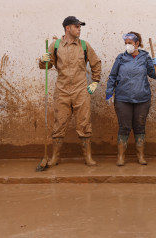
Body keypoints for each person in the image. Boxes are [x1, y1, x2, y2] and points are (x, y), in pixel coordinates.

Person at [39, 16, 101, 167]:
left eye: (80, 27)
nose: (79, 29)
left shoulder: (85, 46)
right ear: (68, 28)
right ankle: (55, 157)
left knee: (84, 123)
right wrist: (43, 60)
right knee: (59, 124)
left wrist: (95, 82)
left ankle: (88, 158)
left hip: (81, 90)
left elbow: (96, 63)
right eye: (76, 26)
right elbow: (46, 67)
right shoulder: (55, 45)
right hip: (62, 91)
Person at [106, 32, 156, 166]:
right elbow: (112, 76)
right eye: (125, 43)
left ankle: (141, 156)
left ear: (137, 44)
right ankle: (120, 156)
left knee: (140, 127)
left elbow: (154, 75)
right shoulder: (120, 58)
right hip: (123, 98)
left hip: (142, 98)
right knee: (124, 127)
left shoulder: (146, 57)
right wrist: (109, 92)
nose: (127, 45)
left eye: (130, 43)